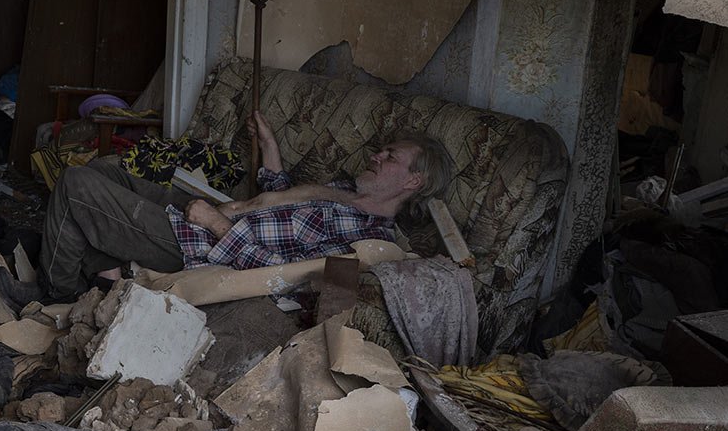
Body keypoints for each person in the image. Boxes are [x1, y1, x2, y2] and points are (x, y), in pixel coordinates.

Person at [39, 113, 454, 298]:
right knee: (103, 170)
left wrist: (218, 225)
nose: (377, 156)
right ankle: (92, 272)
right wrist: (271, 148)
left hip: (199, 243)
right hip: (213, 212)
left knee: (76, 184)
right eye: (382, 150)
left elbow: (286, 277)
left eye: (391, 157)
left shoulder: (368, 240)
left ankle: (57, 291)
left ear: (413, 181)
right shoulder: (348, 192)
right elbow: (285, 204)